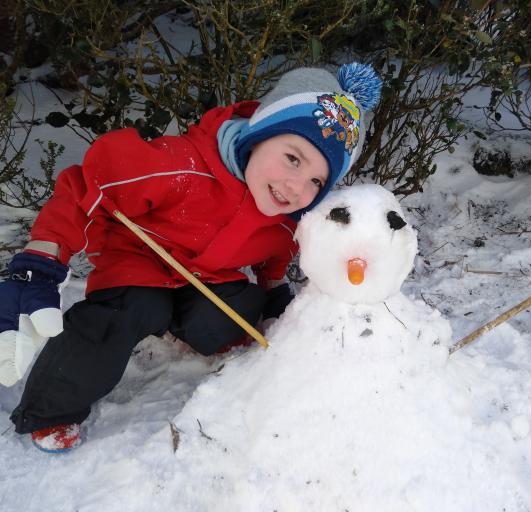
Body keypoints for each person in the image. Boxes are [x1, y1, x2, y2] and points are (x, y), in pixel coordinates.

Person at [0, 63, 382, 452]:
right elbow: (88, 187)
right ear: (260, 133)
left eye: (317, 180)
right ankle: (50, 409)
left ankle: (193, 327)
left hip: (206, 278)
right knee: (118, 316)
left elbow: (276, 254)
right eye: (293, 159)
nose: (296, 186)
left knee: (234, 312)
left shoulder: (286, 218)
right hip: (138, 264)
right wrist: (43, 258)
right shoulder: (180, 166)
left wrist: (274, 293)